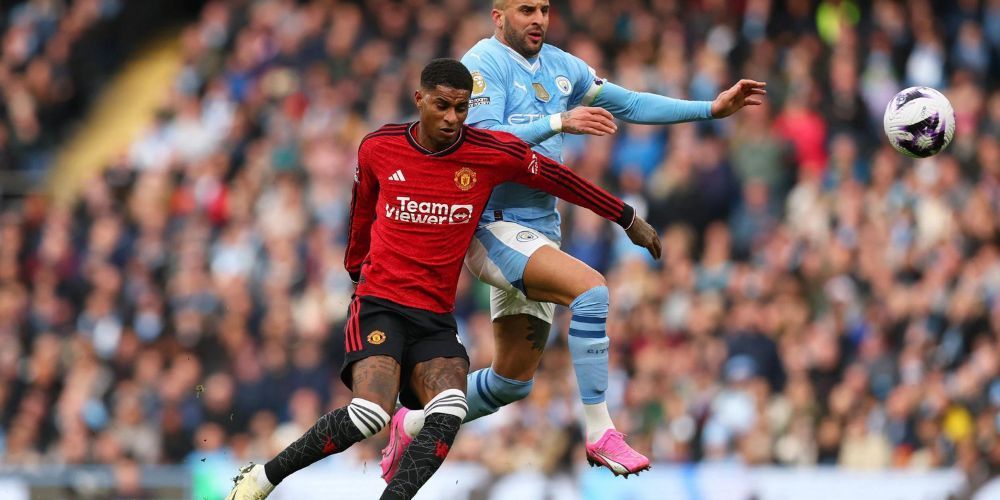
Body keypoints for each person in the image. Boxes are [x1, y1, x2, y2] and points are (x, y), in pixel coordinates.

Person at [226, 58, 660, 499]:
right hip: (380, 305)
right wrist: (358, 273)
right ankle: (262, 478)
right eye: (442, 105)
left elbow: (558, 179)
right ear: (420, 99)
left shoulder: (489, 152)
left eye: (461, 107)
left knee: (450, 410)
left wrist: (625, 217)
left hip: (434, 316)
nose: (452, 118)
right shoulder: (379, 147)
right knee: (369, 414)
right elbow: (361, 216)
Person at [381, 0, 767, 478]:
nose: (539, 18)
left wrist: (710, 109)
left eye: (544, 8)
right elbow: (484, 142)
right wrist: (559, 121)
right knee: (591, 292)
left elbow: (628, 102)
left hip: (539, 230)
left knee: (511, 383)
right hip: (490, 224)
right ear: (498, 17)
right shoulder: (481, 64)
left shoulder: (563, 66)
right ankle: (601, 431)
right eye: (526, 9)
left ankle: (412, 422)